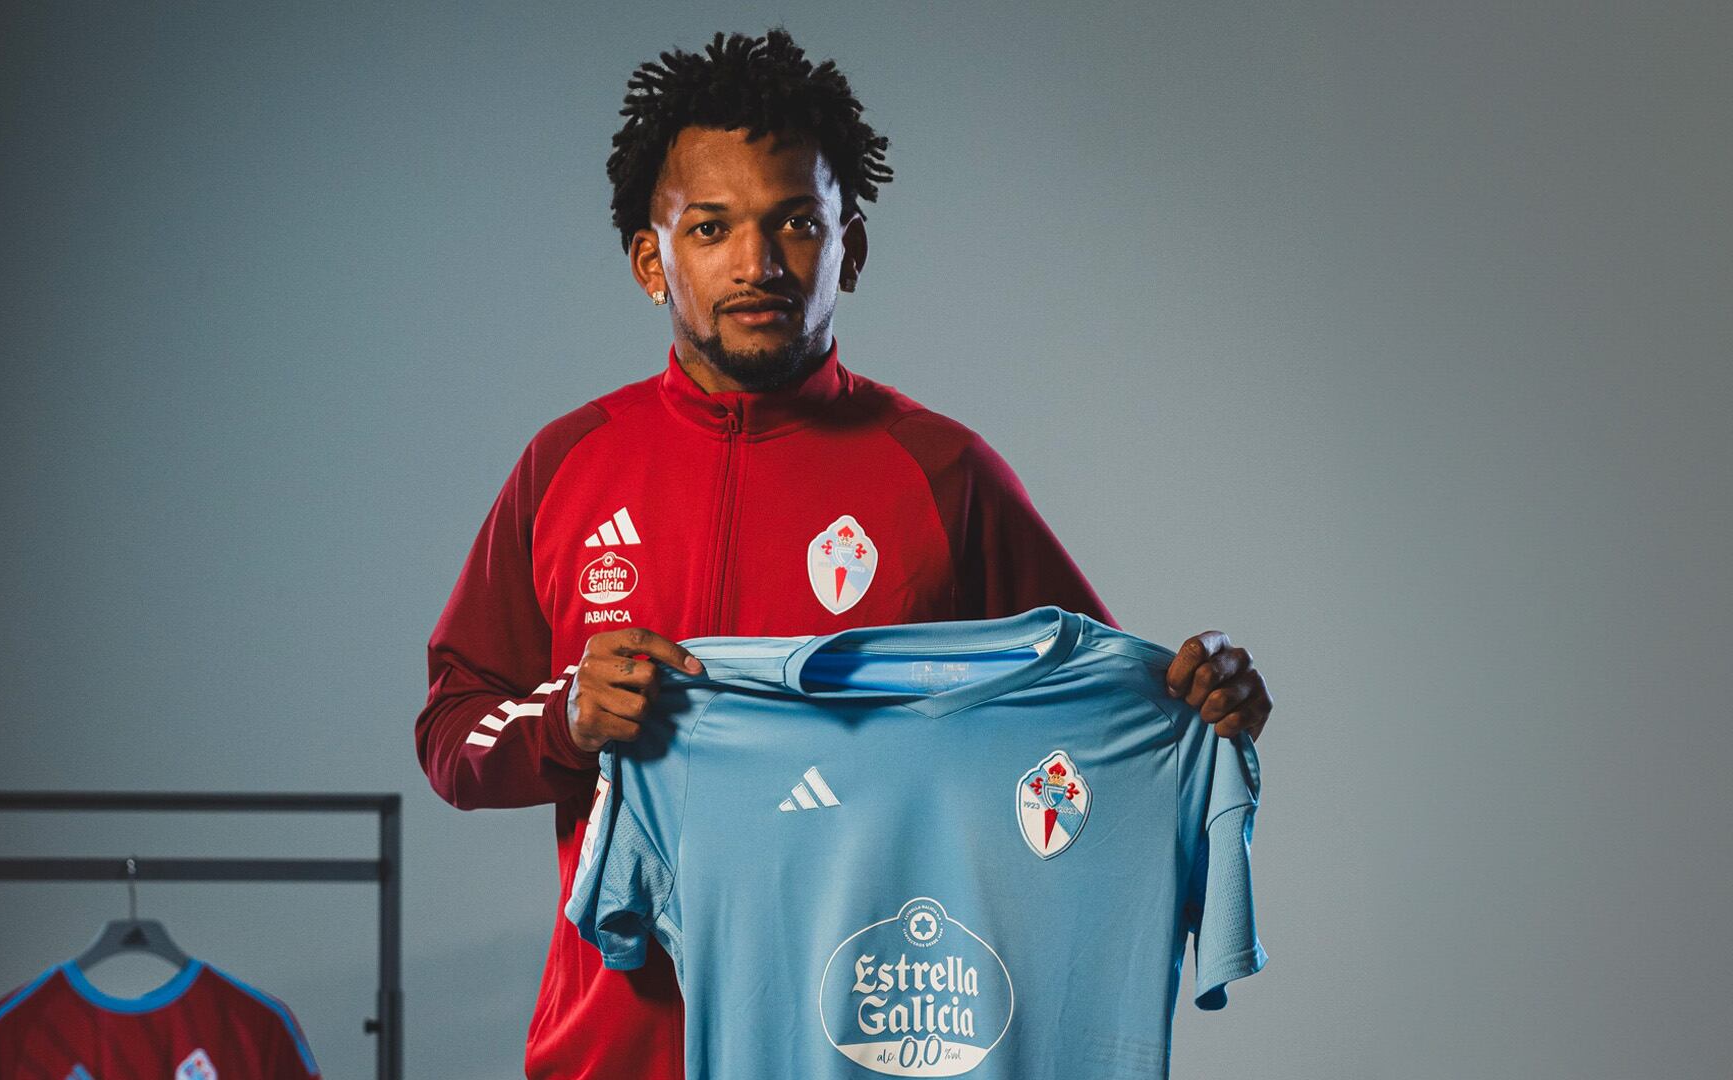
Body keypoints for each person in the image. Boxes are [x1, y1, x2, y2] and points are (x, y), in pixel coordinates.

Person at [415, 28, 1273, 1080]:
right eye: (712, 228)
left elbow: (1084, 721)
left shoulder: (941, 473)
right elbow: (451, 731)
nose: (759, 264)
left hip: (869, 1046)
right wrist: (568, 720)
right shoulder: (568, 468)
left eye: (797, 224)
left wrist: (1198, 703)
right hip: (614, 1050)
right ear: (653, 259)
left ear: (850, 247)